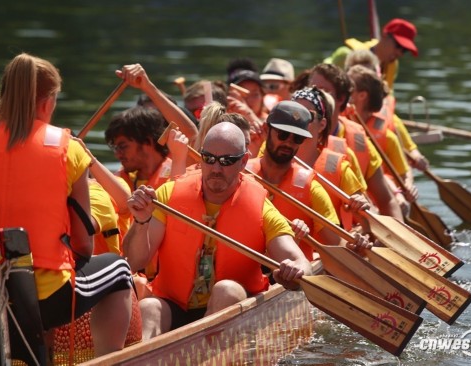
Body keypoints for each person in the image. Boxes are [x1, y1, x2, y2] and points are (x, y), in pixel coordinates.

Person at [0, 52, 133, 356]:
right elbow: (83, 244)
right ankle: (107, 361)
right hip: (46, 298)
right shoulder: (67, 148)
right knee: (119, 269)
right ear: (46, 102)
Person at [123, 122, 312, 340]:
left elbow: (301, 263)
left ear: (243, 161)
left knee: (226, 291)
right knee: (148, 307)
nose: (215, 169)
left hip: (232, 308)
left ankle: (206, 355)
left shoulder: (260, 207)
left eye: (226, 161)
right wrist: (140, 221)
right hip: (175, 304)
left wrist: (294, 269)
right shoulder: (169, 194)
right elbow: (134, 261)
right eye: (209, 159)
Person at [246, 101, 370, 260]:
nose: (288, 142)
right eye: (282, 134)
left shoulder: (311, 188)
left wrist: (356, 244)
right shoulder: (242, 174)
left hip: (292, 274)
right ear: (266, 129)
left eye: (297, 138)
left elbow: (337, 244)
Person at [307, 63, 404, 221]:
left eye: (323, 90)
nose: (315, 95)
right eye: (312, 88)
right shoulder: (290, 137)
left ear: (341, 99)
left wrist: (395, 238)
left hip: (351, 233)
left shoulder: (359, 141)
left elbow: (387, 201)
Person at [292, 87, 369, 232]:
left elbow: (368, 223)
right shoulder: (271, 156)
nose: (298, 120)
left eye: (307, 115)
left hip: (331, 248)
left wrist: (361, 210)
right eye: (293, 114)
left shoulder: (339, 166)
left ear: (322, 125)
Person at [347, 65, 418, 214]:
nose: (344, 90)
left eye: (349, 87)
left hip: (380, 202)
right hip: (354, 201)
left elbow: (404, 173)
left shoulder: (387, 136)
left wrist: (407, 188)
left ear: (362, 95)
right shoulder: (339, 125)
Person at [344, 49, 429, 171]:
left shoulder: (387, 118)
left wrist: (416, 157)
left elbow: (409, 147)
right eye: (358, 73)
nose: (364, 78)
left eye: (368, 74)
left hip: (383, 181)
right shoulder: (338, 114)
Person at [324, 18, 418, 93]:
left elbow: (388, 99)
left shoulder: (393, 65)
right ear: (384, 35)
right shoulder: (347, 54)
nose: (399, 53)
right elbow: (319, 76)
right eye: (398, 46)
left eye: (405, 50)